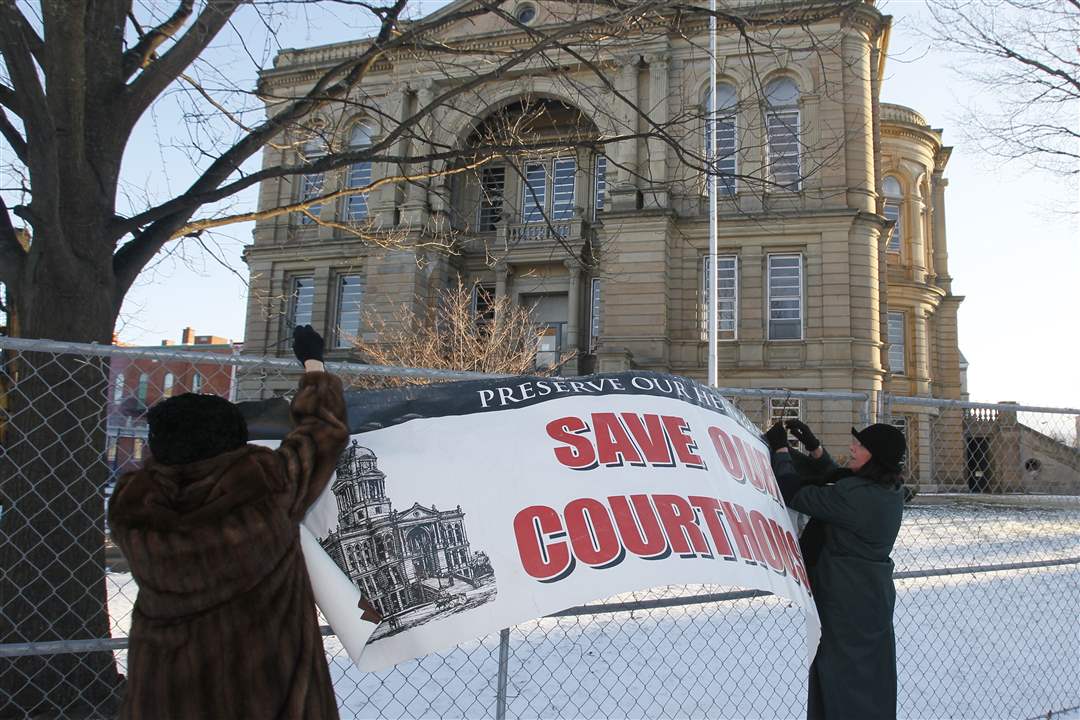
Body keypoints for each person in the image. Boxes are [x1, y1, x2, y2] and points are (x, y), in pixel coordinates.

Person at [108, 325, 373, 720]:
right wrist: (313, 363)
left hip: (167, 688)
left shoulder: (132, 507)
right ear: (238, 442)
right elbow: (321, 430)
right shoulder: (265, 486)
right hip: (265, 687)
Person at [764, 419, 906, 720]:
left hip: (846, 604)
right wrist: (814, 448)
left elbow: (794, 492)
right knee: (867, 681)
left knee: (844, 682)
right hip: (868, 600)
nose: (853, 448)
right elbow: (837, 480)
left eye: (861, 446)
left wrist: (780, 450)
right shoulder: (887, 488)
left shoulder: (859, 498)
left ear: (876, 457)